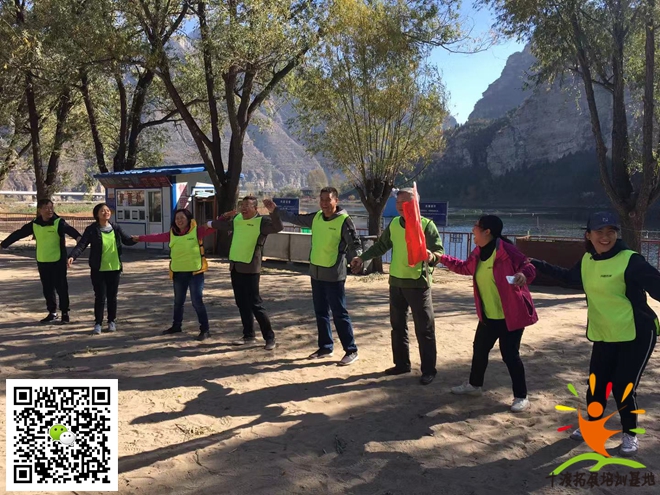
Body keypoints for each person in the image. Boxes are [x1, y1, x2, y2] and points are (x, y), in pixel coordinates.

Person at [530, 211, 659, 455]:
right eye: (599, 232)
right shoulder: (588, 260)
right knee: (597, 385)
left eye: (611, 231)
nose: (605, 236)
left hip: (637, 333)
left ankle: (630, 434)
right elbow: (569, 278)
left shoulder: (631, 260)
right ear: (588, 235)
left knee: (623, 387)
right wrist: (536, 264)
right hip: (604, 332)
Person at [440, 215, 538, 412]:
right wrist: (440, 258)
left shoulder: (506, 250)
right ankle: (474, 386)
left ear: (487, 232)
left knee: (510, 356)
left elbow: (528, 266)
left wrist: (522, 275)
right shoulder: (478, 252)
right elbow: (464, 268)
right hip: (488, 315)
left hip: (511, 315)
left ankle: (521, 397)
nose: (472, 229)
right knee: (479, 350)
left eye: (476, 226)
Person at [350, 188, 444, 385]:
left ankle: (429, 370)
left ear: (416, 204)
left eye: (406, 203)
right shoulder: (394, 224)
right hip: (396, 282)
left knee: (424, 329)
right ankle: (401, 364)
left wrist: (431, 256)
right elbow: (381, 246)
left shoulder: (427, 225)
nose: (401, 207)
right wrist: (362, 257)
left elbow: (439, 252)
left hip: (418, 284)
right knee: (398, 326)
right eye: (398, 203)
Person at [278, 186, 361, 365]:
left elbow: (354, 243)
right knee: (321, 312)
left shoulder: (344, 221)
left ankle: (351, 350)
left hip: (334, 274)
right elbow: (295, 218)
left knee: (339, 313)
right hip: (316, 272)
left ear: (336, 201)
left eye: (328, 200)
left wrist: (356, 259)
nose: (324, 203)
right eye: (321, 200)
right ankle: (325, 347)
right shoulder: (316, 217)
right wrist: (275, 211)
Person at [208, 196, 283, 350]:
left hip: (251, 268)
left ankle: (270, 338)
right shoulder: (237, 219)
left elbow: (278, 227)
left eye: (247, 206)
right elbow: (222, 225)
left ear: (255, 208)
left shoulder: (262, 222)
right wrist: (211, 222)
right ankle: (248, 335)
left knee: (255, 304)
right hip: (235, 267)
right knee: (241, 303)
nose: (243, 208)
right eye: (242, 205)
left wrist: (273, 212)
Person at [132, 208, 215, 341]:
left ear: (188, 219)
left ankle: (205, 330)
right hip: (178, 273)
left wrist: (224, 218)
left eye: (182, 218)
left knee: (197, 302)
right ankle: (176, 326)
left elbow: (215, 227)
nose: (179, 220)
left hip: (195, 273)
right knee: (178, 302)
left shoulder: (197, 231)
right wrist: (140, 238)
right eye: (177, 218)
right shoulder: (172, 233)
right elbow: (157, 237)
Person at [1, 199, 81, 324]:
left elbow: (71, 230)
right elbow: (19, 234)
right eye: (46, 208)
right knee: (47, 288)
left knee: (61, 287)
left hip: (58, 260)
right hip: (42, 260)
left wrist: (78, 237)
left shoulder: (58, 222)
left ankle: (65, 312)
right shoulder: (35, 224)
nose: (49, 210)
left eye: (51, 207)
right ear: (40, 210)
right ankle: (52, 312)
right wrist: (3, 245)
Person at [68, 203, 137, 334]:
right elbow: (82, 244)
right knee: (100, 297)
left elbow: (127, 240)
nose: (106, 212)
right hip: (98, 269)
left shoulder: (115, 227)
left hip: (114, 268)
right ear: (97, 214)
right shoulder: (92, 229)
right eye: (102, 211)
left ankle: (111, 321)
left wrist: (137, 239)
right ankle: (98, 323)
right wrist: (72, 256)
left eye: (107, 210)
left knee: (112, 297)